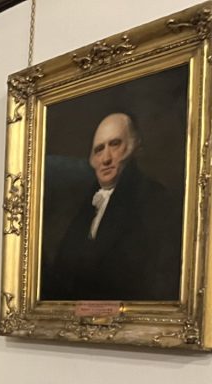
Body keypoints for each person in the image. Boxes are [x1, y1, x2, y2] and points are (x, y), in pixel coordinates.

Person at [43, 112, 182, 302]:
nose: (105, 158)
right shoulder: (87, 206)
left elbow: (157, 282)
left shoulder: (155, 199)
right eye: (99, 149)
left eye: (115, 144)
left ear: (133, 147)